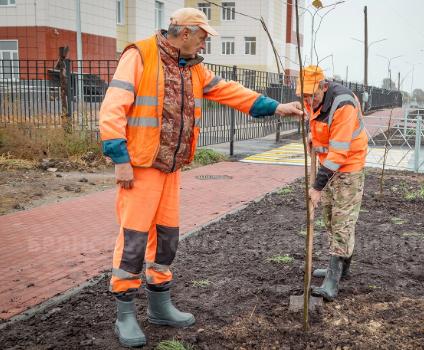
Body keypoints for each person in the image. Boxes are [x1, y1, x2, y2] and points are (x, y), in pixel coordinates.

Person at [99, 8, 302, 347]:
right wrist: (119, 158)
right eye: (204, 34)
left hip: (171, 168)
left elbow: (231, 91)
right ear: (185, 32)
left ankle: (160, 306)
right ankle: (125, 316)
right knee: (133, 241)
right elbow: (113, 106)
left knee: (167, 239)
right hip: (140, 166)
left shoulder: (193, 68)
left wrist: (275, 107)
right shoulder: (140, 55)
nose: (206, 40)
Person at [296, 65, 367, 302]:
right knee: (329, 217)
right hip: (328, 165)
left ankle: (333, 281)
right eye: (303, 96)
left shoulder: (343, 104)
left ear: (323, 87)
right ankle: (343, 267)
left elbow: (339, 153)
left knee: (342, 221)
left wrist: (316, 188)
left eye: (311, 96)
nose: (308, 101)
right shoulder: (311, 99)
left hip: (348, 167)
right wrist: (313, 138)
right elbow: (320, 125)